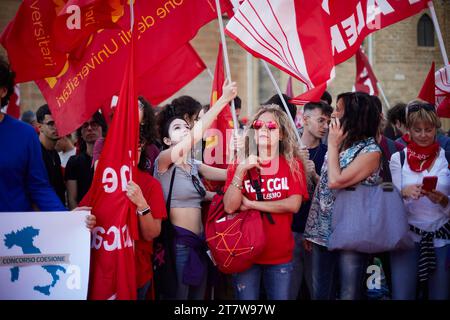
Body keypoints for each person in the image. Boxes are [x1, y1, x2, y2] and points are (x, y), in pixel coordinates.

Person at [154, 80, 237, 300]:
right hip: (179, 245)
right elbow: (194, 138)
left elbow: (229, 174)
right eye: (177, 128)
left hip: (201, 242)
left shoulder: (193, 164)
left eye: (186, 126)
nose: (185, 130)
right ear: (166, 139)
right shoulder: (163, 161)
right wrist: (223, 100)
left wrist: (241, 158)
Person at [223, 104, 309, 300]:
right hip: (245, 253)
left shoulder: (292, 164)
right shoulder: (239, 163)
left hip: (279, 255)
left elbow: (293, 204)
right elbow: (229, 206)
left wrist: (253, 205)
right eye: (259, 125)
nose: (264, 130)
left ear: (281, 135)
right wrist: (240, 170)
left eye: (271, 127)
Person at [304, 91, 382, 300]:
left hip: (351, 232)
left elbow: (336, 181)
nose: (333, 115)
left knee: (349, 293)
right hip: (322, 233)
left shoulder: (370, 151)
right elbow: (324, 189)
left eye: (338, 109)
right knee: (321, 293)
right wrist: (311, 230)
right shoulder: (339, 145)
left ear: (354, 116)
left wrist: (332, 144)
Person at [389, 101, 450, 300]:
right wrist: (403, 193)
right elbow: (389, 206)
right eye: (417, 130)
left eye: (429, 129)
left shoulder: (446, 158)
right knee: (402, 296)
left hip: (441, 239)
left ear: (436, 129)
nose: (423, 135)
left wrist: (443, 201)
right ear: (409, 131)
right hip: (407, 238)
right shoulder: (398, 159)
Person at [0, 57, 66, 212]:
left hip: (14, 233)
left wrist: (68, 220)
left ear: (3, 91)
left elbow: (39, 187)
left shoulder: (25, 134)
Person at [289, 101, 333, 300]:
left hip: (317, 234)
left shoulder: (329, 155)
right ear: (305, 120)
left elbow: (331, 195)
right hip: (290, 230)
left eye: (328, 121)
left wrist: (315, 176)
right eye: (320, 120)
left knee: (317, 290)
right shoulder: (288, 152)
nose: (325, 126)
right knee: (288, 290)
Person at [65, 111, 106, 209]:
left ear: (102, 129)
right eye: (85, 125)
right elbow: (72, 199)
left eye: (94, 124)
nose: (90, 128)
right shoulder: (73, 162)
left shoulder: (113, 160)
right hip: (83, 217)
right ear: (81, 133)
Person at [36, 104, 66, 205]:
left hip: (57, 213)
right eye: (51, 123)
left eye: (58, 122)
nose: (56, 127)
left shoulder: (54, 154)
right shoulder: (35, 153)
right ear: (40, 127)